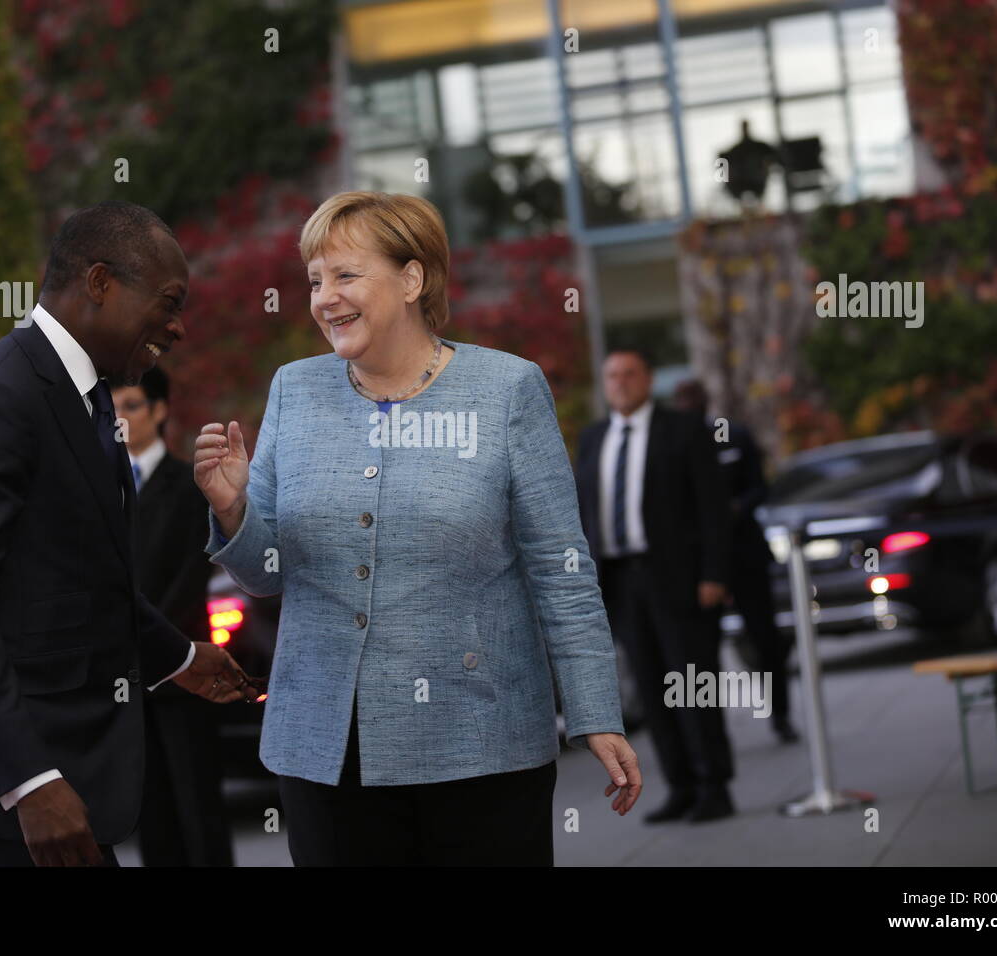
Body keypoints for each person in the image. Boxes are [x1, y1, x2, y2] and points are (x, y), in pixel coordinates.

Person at [195, 191, 641, 866]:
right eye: (315, 280)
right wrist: (233, 510)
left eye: (346, 275)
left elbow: (561, 567)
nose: (324, 298)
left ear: (412, 278)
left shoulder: (507, 390)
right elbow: (265, 574)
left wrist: (595, 712)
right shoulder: (295, 389)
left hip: (481, 745)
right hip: (326, 751)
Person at [0, 201, 256, 867]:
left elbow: (89, 577)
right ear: (99, 283)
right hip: (17, 778)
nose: (176, 327)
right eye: (169, 303)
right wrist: (27, 782)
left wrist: (177, 657)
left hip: (67, 759)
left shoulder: (82, 396)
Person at [575, 349, 736, 823]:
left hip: (679, 580)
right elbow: (585, 514)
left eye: (629, 374)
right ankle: (680, 786)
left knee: (689, 686)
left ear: (648, 379)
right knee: (649, 688)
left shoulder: (685, 430)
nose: (620, 383)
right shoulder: (593, 438)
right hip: (620, 582)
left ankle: (715, 786)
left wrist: (714, 574)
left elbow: (713, 509)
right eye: (611, 376)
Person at [114, 366, 235, 866]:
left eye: (132, 406)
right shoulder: (101, 488)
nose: (119, 419)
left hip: (182, 673)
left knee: (197, 807)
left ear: (160, 411)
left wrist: (153, 644)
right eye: (112, 408)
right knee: (151, 813)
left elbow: (190, 579)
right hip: (125, 681)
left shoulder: (190, 486)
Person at [672, 378, 797, 744]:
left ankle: (781, 715)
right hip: (697, 563)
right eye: (683, 401)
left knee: (765, 639)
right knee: (698, 651)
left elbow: (760, 487)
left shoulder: (733, 437)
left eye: (694, 400)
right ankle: (710, 731)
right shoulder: (670, 446)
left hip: (743, 555)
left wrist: (735, 508)